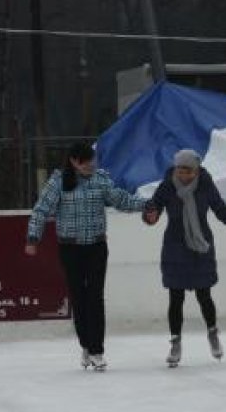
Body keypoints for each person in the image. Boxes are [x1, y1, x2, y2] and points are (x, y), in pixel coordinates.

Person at [25, 142, 148, 372]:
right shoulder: (58, 182)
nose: (91, 164)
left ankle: (97, 350)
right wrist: (33, 238)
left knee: (95, 298)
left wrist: (146, 204)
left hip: (96, 248)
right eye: (86, 161)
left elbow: (121, 200)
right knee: (79, 298)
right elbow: (41, 210)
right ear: (74, 161)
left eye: (93, 160)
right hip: (70, 250)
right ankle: (86, 345)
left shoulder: (100, 179)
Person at [143, 149, 226, 367]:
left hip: (201, 246)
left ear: (196, 171)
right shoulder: (168, 185)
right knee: (175, 298)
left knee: (204, 295)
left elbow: (221, 211)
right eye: (179, 169)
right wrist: (150, 215)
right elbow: (153, 208)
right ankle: (175, 342)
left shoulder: (205, 185)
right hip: (175, 246)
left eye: (187, 170)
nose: (182, 174)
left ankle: (212, 333)